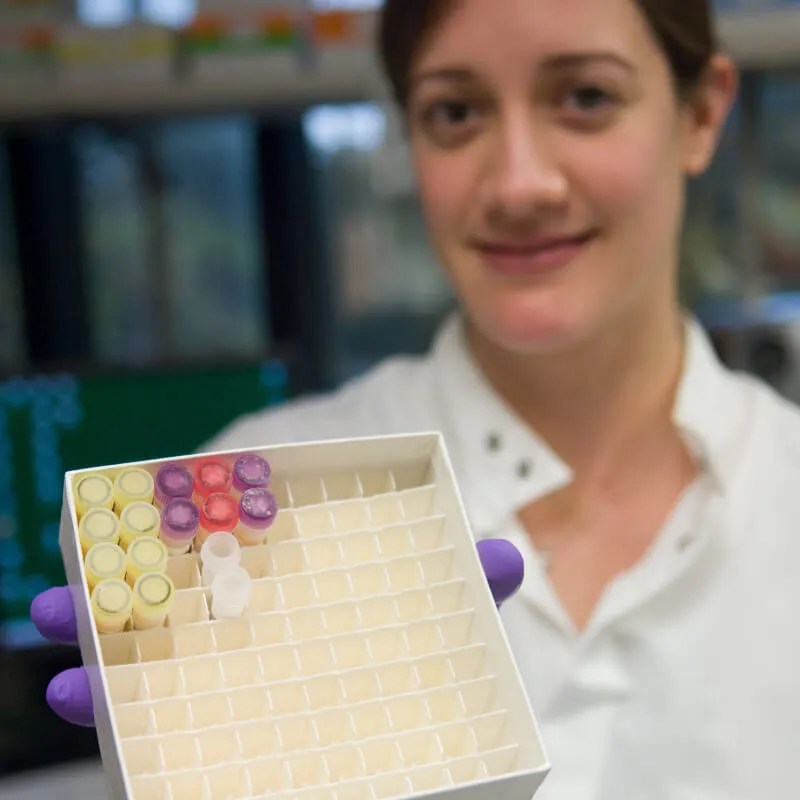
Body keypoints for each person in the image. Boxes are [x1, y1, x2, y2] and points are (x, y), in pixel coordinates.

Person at [28, 0, 800, 796]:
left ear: (701, 114)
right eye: (455, 112)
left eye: (586, 97)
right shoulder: (245, 508)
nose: (520, 185)